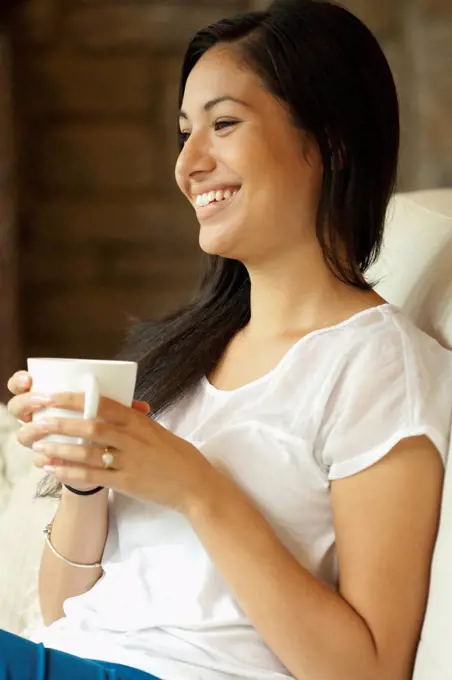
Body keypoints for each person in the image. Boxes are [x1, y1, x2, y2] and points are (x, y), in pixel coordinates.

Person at [2, 0, 452, 679]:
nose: (189, 164)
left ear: (329, 140)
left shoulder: (379, 366)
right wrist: (85, 478)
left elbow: (370, 669)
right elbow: (66, 611)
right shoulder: (183, 353)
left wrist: (196, 488)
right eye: (184, 133)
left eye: (224, 124)